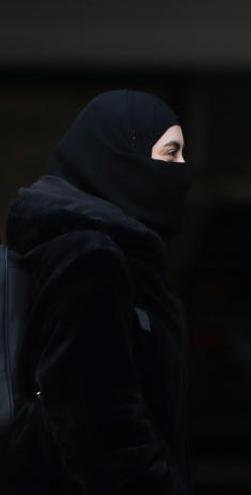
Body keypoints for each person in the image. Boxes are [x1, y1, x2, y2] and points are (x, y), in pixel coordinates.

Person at [0, 90, 193, 494]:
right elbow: (99, 423)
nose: (182, 169)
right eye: (171, 152)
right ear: (121, 158)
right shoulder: (91, 259)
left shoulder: (113, 256)